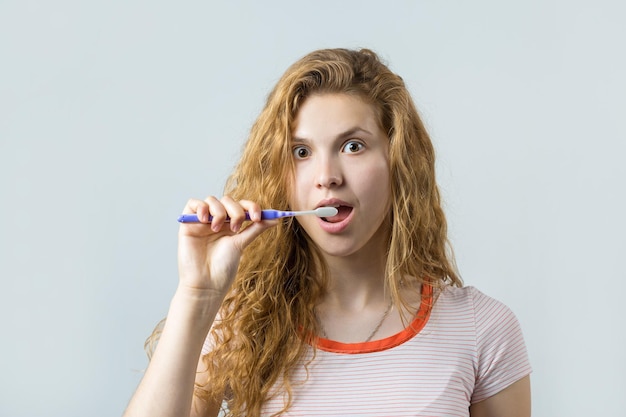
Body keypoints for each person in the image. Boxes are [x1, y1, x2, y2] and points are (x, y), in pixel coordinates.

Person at [124, 48, 532, 417]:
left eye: (352, 146)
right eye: (301, 152)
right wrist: (198, 296)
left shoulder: (482, 328)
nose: (326, 177)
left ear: (399, 161)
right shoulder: (239, 325)